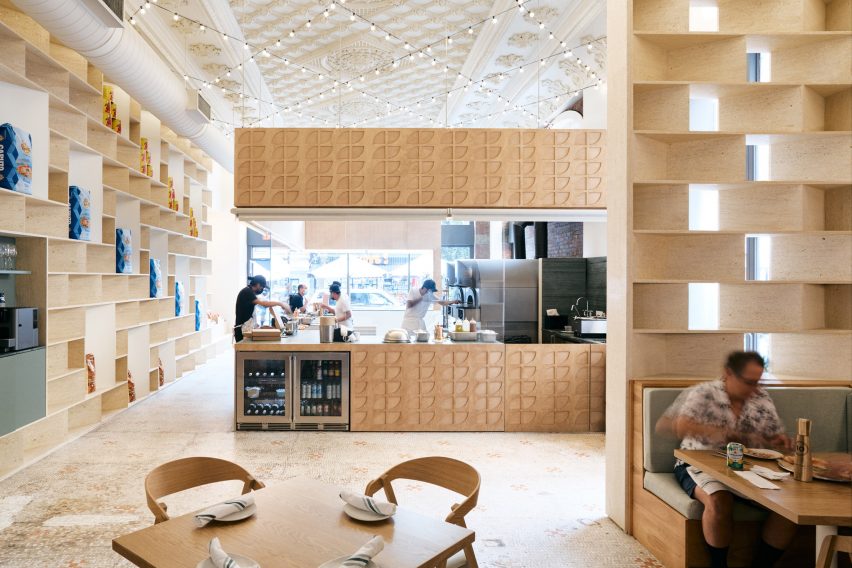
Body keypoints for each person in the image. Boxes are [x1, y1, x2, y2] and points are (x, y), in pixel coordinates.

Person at [656, 351, 796, 568]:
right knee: (719, 500)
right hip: (698, 464)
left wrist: (779, 440)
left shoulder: (761, 398)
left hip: (748, 468)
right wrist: (719, 432)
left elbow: (772, 435)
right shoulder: (704, 393)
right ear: (728, 374)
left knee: (789, 510)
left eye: (758, 382)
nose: (754, 389)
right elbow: (669, 426)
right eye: (749, 382)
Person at [233, 275, 291, 342]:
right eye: (262, 287)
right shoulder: (247, 292)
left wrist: (257, 326)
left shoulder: (250, 292)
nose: (262, 289)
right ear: (258, 285)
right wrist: (280, 303)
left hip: (245, 329)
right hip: (241, 331)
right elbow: (264, 303)